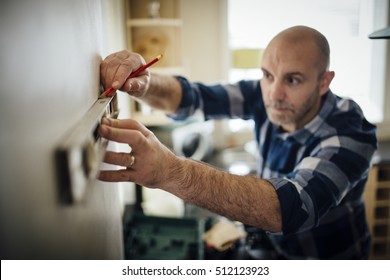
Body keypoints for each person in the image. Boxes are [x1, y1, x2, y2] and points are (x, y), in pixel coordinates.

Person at [99, 26, 377, 259]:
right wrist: (144, 83)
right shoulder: (265, 93)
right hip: (272, 252)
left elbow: (291, 207)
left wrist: (171, 171)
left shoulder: (351, 132)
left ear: (323, 82)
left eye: (293, 80)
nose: (274, 93)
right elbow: (192, 98)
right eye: (267, 74)